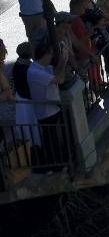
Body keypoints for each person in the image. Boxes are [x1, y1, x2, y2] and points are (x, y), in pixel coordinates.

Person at [27, 39, 69, 173]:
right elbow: (59, 79)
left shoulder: (44, 67)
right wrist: (63, 61)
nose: (51, 56)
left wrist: (63, 60)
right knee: (51, 141)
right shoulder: (35, 72)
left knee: (54, 140)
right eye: (50, 54)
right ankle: (53, 166)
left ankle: (58, 164)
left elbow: (56, 72)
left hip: (52, 109)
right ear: (44, 55)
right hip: (45, 112)